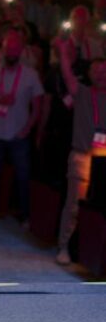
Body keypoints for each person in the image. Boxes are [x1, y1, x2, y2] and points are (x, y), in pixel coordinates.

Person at [0, 27, 43, 229]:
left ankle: (25, 216)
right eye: (8, 50)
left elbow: (37, 106)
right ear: (2, 50)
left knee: (22, 176)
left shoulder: (30, 75)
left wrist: (29, 128)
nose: (11, 54)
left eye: (15, 50)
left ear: (21, 51)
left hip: (19, 134)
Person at [54, 43, 106, 265]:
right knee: (74, 204)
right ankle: (64, 246)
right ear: (89, 74)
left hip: (104, 159)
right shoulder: (82, 93)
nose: (101, 75)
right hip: (82, 156)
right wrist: (63, 53)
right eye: (96, 71)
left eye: (104, 71)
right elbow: (66, 75)